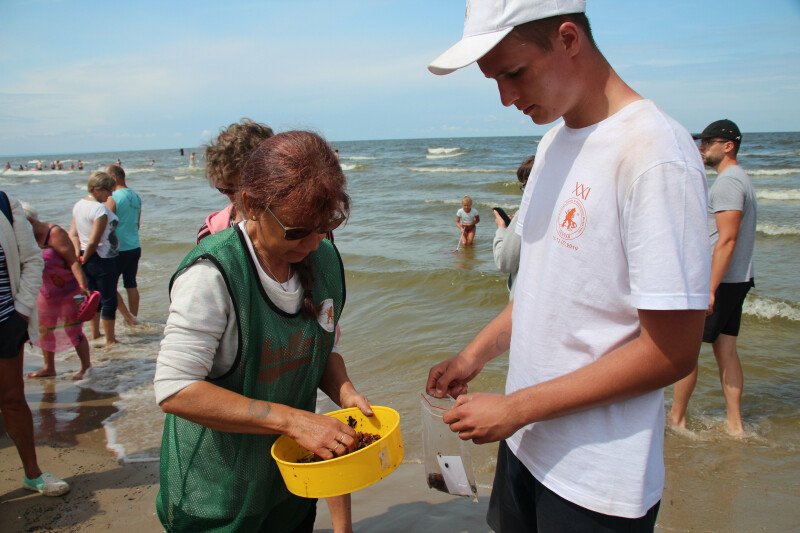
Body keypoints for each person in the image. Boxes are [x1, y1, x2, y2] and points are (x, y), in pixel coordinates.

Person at [425, 1, 710, 530]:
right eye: (494, 80)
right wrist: (471, 357)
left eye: (514, 73)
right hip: (527, 448)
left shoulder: (654, 155)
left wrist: (515, 408)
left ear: (569, 39)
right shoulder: (555, 139)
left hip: (597, 481)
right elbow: (540, 285)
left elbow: (672, 352)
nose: (506, 98)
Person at [154, 131, 371, 532]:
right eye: (296, 231)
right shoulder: (212, 275)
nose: (311, 244)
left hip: (290, 485)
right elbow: (174, 388)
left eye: (324, 227)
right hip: (217, 496)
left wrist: (343, 389)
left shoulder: (323, 262)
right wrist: (293, 421)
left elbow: (318, 352)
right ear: (251, 205)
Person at [670, 119, 757, 436]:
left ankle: (676, 420)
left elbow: (727, 239)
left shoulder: (728, 183)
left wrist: (708, 288)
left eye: (708, 142)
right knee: (726, 350)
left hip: (720, 282)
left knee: (685, 351)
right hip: (737, 279)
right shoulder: (739, 179)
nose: (702, 148)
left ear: (728, 146)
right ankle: (736, 426)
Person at [0, 190, 70, 496]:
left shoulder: (6, 204)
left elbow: (31, 260)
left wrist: (21, 311)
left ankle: (33, 473)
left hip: (5, 320)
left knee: (13, 398)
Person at [22, 202, 92, 380]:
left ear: (29, 220)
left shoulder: (54, 233)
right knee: (44, 329)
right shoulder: (25, 237)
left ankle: (86, 367)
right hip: (43, 291)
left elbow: (73, 261)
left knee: (73, 330)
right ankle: (49, 368)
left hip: (68, 291)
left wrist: (83, 288)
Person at [196, 118, 274, 243]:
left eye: (250, 186)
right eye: (228, 190)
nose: (240, 197)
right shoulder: (211, 235)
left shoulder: (297, 229)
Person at [69, 171, 120, 347]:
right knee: (108, 299)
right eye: (109, 190)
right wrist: (86, 255)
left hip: (87, 258)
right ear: (97, 189)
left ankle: (96, 333)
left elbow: (73, 234)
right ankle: (111, 339)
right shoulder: (99, 210)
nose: (111, 194)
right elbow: (94, 240)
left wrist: (79, 255)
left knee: (93, 298)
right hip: (102, 258)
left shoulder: (79, 205)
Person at [106, 164, 142, 326]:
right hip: (134, 246)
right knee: (131, 283)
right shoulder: (136, 196)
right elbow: (137, 224)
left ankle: (128, 317)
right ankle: (133, 317)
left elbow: (105, 223)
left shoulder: (113, 197)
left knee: (108, 285)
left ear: (113, 177)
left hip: (118, 248)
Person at [492, 155, 534, 298]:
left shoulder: (525, 212)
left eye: (524, 185)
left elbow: (504, 262)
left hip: (524, 299)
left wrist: (502, 228)